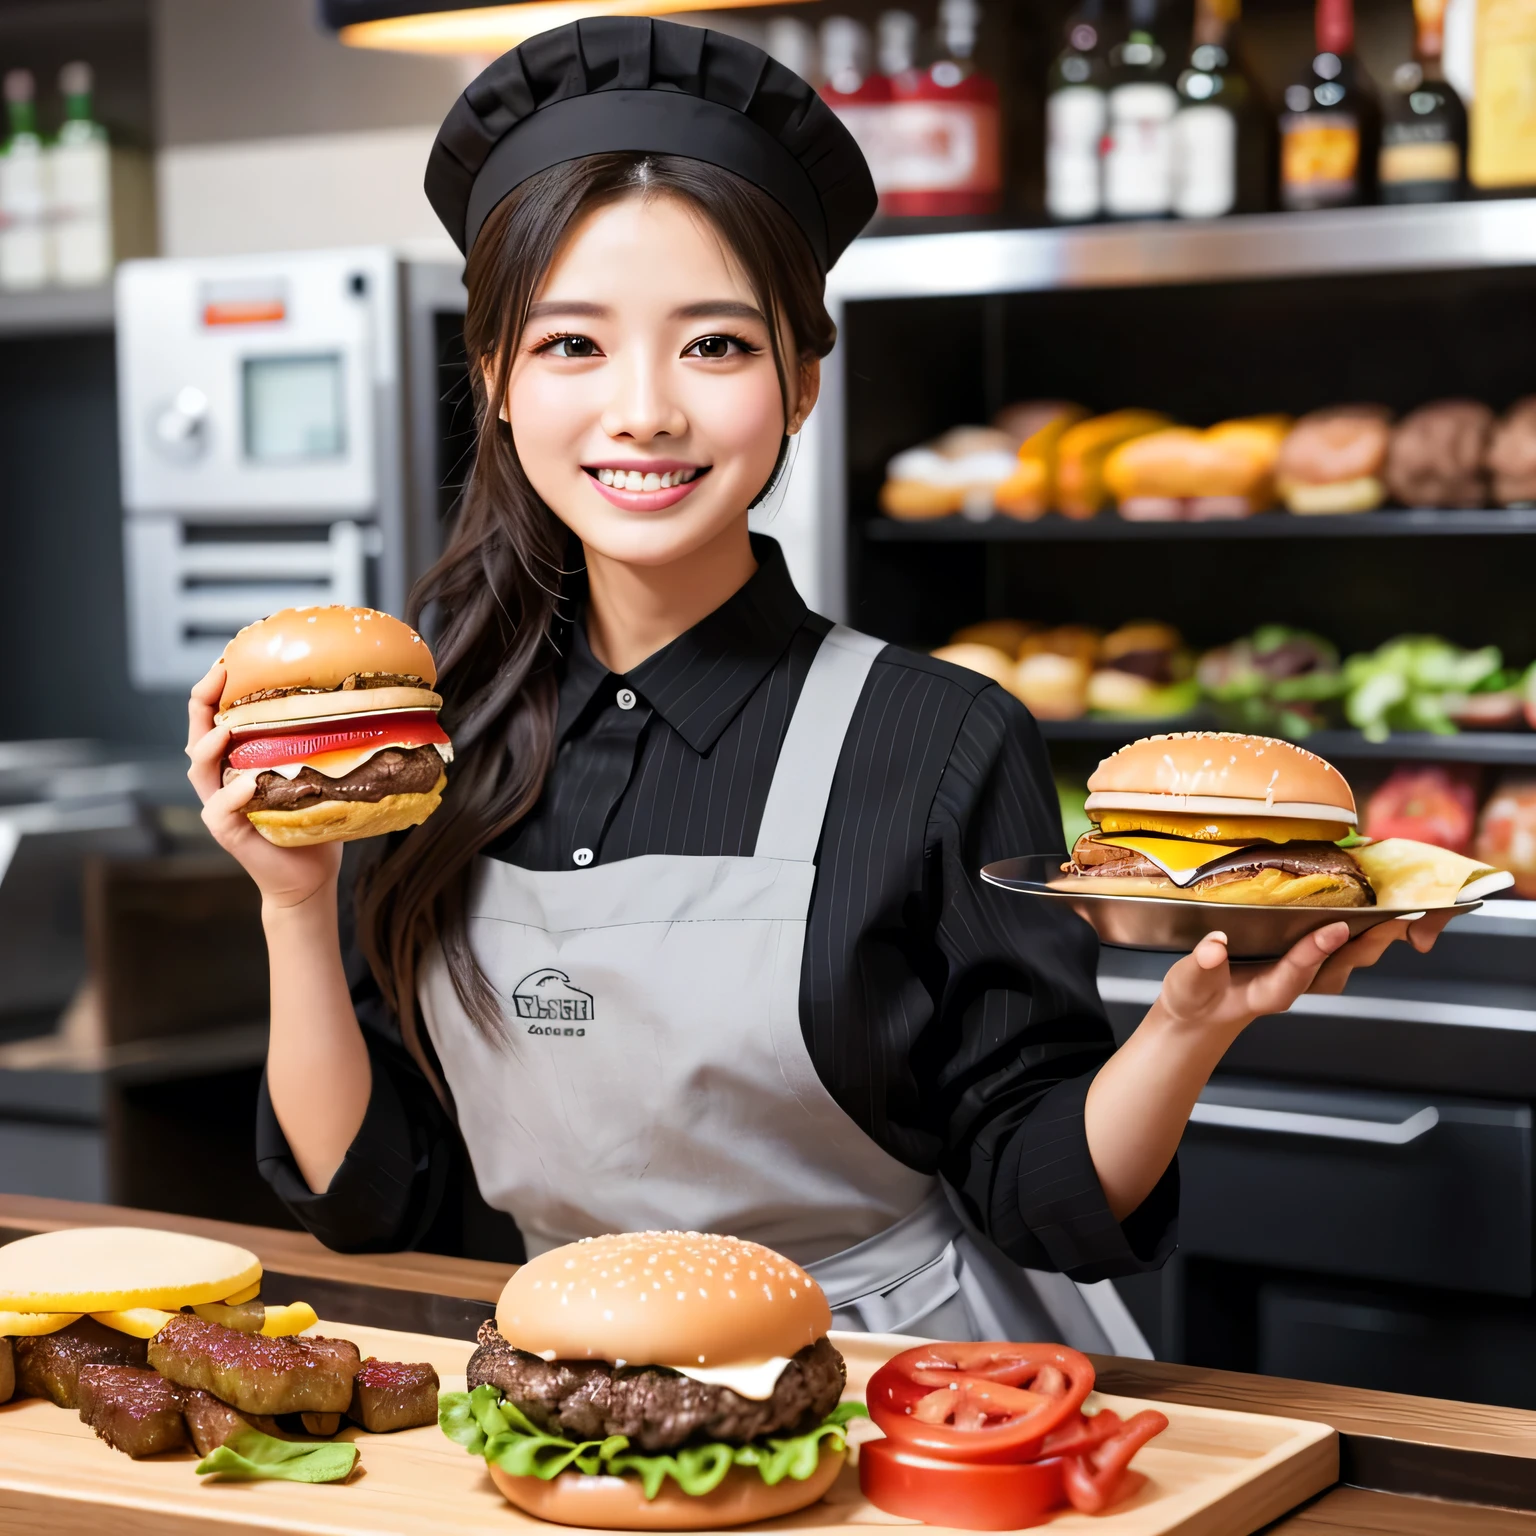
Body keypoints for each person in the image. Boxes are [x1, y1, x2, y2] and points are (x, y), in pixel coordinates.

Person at [185, 16, 1450, 1344]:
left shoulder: (939, 737)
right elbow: (369, 1197)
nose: (645, 410)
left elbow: (1043, 1200)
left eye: (715, 345)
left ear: (801, 381)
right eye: (573, 347)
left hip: (899, 1384)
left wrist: (1187, 1027)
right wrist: (293, 904)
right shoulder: (437, 747)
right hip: (568, 1381)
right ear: (495, 377)